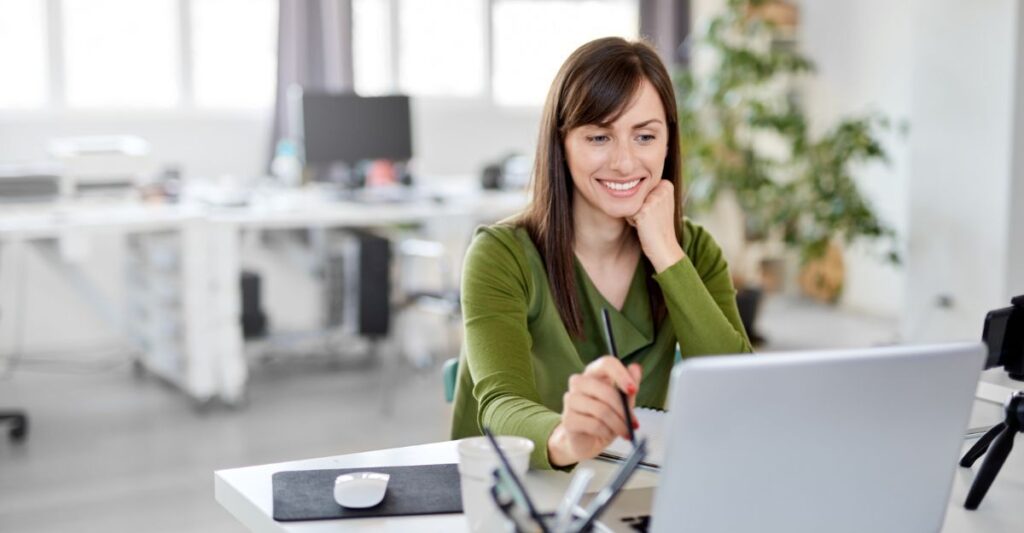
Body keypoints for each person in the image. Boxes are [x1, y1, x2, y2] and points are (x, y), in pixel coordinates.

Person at [451, 37, 753, 470]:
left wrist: (666, 253)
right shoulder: (500, 256)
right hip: (513, 488)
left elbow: (739, 391)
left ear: (668, 141)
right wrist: (567, 438)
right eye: (599, 137)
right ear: (563, 142)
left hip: (627, 485)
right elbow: (501, 406)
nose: (625, 163)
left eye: (645, 136)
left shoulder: (694, 251)